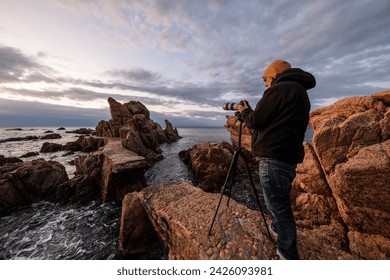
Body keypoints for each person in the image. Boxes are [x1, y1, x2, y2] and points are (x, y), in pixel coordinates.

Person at [237, 59, 316, 260]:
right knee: (278, 202)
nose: (265, 83)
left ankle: (287, 253)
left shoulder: (278, 90)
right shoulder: (300, 93)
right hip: (288, 158)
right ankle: (278, 229)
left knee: (279, 208)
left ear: (274, 75)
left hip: (273, 158)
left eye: (266, 78)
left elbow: (256, 120)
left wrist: (245, 112)